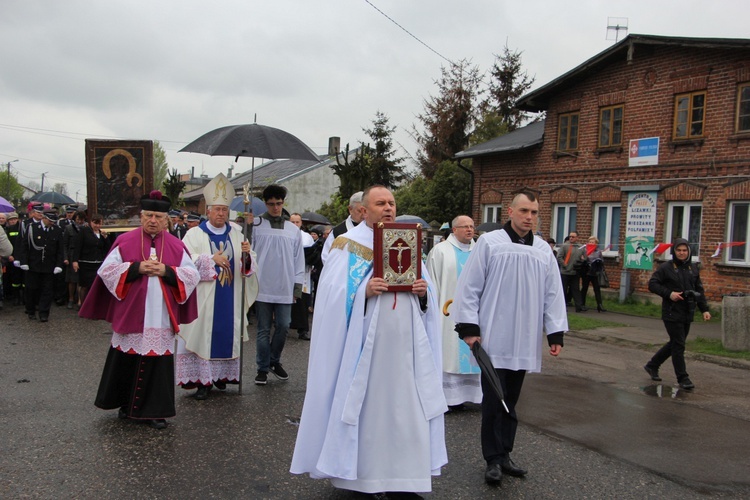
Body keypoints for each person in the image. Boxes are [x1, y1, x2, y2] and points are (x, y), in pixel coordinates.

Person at [291, 185, 448, 496]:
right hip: (365, 350)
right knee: (370, 412)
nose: (388, 208)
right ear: (364, 210)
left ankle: (405, 475)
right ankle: (362, 476)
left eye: (391, 202)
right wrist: (363, 291)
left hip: (407, 349)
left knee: (407, 409)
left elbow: (429, 293)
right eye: (380, 203)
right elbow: (330, 298)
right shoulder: (347, 245)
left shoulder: (408, 240)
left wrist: (422, 293)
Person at [453, 191, 568, 486]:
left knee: (512, 399)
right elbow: (470, 286)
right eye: (524, 211)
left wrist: (554, 332)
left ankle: (505, 453)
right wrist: (469, 327)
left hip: (524, 337)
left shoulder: (543, 250)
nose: (529, 217)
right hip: (493, 335)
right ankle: (492, 458)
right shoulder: (490, 244)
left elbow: (553, 293)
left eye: (534, 212)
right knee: (494, 398)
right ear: (511, 211)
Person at [79, 191, 200, 429]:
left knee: (157, 364)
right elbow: (107, 270)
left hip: (161, 316)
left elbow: (191, 275)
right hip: (133, 311)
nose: (153, 220)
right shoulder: (125, 241)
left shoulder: (176, 245)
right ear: (141, 216)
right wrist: (136, 267)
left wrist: (166, 271)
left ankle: (154, 411)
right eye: (148, 215)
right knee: (127, 360)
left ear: (167, 220)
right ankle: (126, 405)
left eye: (158, 216)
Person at [175, 174, 258, 400]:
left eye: (224, 209)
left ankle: (222, 377)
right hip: (205, 296)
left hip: (230, 295)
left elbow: (249, 267)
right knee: (204, 335)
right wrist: (211, 259)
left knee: (226, 333)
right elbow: (183, 261)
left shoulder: (238, 234)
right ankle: (203, 382)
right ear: (208, 210)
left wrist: (246, 255)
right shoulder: (194, 234)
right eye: (216, 209)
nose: (220, 214)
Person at [426, 214, 482, 407]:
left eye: (472, 226)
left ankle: (477, 398)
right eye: (464, 226)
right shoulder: (440, 252)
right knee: (449, 353)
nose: (469, 230)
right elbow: (431, 284)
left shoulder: (481, 251)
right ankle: (450, 399)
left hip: (476, 314)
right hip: (447, 315)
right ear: (454, 230)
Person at [252, 184, 304, 385]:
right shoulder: (256, 225)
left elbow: (299, 259)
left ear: (283, 203)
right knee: (263, 328)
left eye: (279, 203)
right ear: (266, 204)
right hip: (262, 285)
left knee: (283, 325)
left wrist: (297, 287)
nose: (275, 207)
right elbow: (249, 254)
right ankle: (262, 368)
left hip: (285, 285)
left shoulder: (293, 230)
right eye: (271, 204)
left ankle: (274, 360)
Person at [644, 238, 711, 390]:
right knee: (679, 344)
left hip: (688, 311)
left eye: (684, 250)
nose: (682, 253)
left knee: (675, 342)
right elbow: (652, 284)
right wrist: (669, 294)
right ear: (674, 251)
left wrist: (705, 309)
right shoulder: (666, 267)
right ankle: (683, 378)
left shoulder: (692, 268)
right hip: (671, 312)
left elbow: (699, 290)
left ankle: (652, 365)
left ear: (689, 252)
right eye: (679, 250)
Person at [14, 210, 65, 322]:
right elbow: (24, 246)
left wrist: (58, 265)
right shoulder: (31, 228)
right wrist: (24, 262)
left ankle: (44, 313)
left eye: (54, 221)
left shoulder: (57, 230)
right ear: (44, 218)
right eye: (50, 221)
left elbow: (60, 250)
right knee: (31, 289)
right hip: (33, 265)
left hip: (49, 265)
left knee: (47, 290)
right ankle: (31, 310)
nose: (52, 223)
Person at [289, 213, 319, 341]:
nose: (295, 225)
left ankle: (303, 330)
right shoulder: (286, 233)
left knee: (302, 302)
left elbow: (312, 253)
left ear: (301, 223)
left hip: (304, 274)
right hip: (288, 272)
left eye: (297, 222)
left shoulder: (307, 237)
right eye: (293, 222)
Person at [71, 213, 112, 306]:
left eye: (99, 224)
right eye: (95, 223)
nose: (97, 226)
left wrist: (106, 238)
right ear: (91, 222)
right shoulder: (84, 231)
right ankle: (83, 305)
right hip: (86, 263)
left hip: (98, 263)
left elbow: (108, 248)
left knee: (96, 286)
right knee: (84, 286)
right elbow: (77, 246)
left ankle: (94, 305)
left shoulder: (102, 233)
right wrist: (75, 261)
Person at [321, 191, 363, 264]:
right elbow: (326, 257)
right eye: (359, 211)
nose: (363, 214)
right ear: (350, 209)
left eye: (366, 210)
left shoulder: (373, 229)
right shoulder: (337, 232)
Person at [557, 231, 587, 312]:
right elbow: (559, 257)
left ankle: (579, 306)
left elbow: (585, 257)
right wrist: (565, 265)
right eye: (570, 236)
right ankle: (561, 306)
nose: (571, 238)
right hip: (565, 272)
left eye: (573, 237)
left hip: (575, 272)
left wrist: (582, 261)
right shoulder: (564, 246)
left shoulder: (580, 247)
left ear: (577, 238)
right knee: (563, 289)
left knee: (575, 289)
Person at [62, 211, 86, 309]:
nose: (80, 222)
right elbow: (65, 244)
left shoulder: (86, 228)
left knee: (81, 279)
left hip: (82, 255)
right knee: (72, 279)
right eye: (78, 219)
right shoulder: (69, 228)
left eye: (82, 220)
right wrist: (65, 257)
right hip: (71, 254)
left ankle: (80, 300)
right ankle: (71, 298)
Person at [580, 236, 607, 312]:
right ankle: (582, 304)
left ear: (596, 243)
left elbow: (602, 260)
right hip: (587, 271)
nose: (591, 243)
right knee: (584, 288)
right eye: (590, 242)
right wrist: (583, 259)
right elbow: (582, 259)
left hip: (595, 272)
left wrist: (598, 262)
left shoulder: (598, 251)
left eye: (593, 242)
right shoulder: (585, 249)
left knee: (597, 289)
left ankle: (599, 305)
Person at [3, 212, 23, 305]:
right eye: (11, 220)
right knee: (14, 279)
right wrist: (10, 255)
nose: (13, 221)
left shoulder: (22, 229)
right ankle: (15, 296)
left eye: (14, 219)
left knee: (23, 278)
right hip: (11, 257)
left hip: (21, 257)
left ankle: (23, 297)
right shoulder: (6, 230)